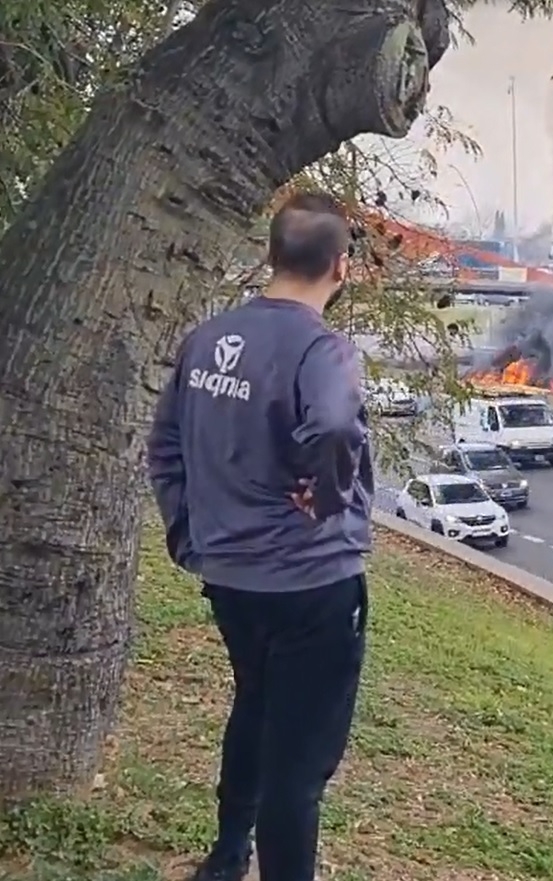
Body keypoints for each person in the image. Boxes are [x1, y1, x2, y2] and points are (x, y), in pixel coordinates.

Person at [146, 191, 373, 881]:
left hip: (232, 581)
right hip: (312, 586)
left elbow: (164, 446)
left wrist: (189, 534)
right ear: (341, 265)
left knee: (255, 701)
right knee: (298, 769)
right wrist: (330, 495)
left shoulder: (208, 338)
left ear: (269, 253)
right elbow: (334, 427)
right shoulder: (320, 348)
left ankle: (226, 852)